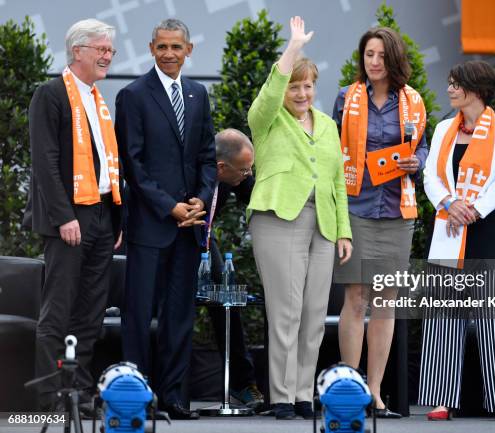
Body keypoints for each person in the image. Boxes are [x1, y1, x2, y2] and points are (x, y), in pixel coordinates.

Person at [247, 16, 352, 420]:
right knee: (286, 310)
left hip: (323, 224)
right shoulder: (268, 118)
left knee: (313, 314)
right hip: (278, 218)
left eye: (308, 86)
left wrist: (343, 231)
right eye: (296, 86)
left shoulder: (327, 125)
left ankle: (306, 393)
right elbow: (272, 91)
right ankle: (282, 396)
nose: (302, 93)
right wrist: (292, 49)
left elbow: (338, 181)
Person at [115, 18, 216, 420]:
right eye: (162, 47)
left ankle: (173, 397)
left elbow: (208, 157)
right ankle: (136, 398)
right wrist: (168, 206)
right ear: (151, 48)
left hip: (189, 228)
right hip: (150, 226)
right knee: (139, 316)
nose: (170, 54)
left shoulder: (197, 94)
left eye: (177, 47)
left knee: (179, 316)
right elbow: (133, 166)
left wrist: (201, 201)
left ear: (189, 50)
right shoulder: (133, 95)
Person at [25, 18, 123, 410]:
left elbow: (107, 164)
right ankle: (50, 398)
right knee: (59, 309)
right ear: (77, 51)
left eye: (110, 50)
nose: (107, 56)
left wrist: (115, 217)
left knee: (91, 310)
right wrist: (64, 216)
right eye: (100, 49)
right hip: (69, 217)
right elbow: (45, 163)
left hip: (100, 214)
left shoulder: (97, 98)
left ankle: (78, 391)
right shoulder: (51, 94)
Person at [332, 27, 428, 418]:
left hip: (396, 211)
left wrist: (416, 162)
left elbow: (421, 146)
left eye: (380, 55)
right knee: (355, 298)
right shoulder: (347, 96)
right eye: (368, 55)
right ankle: (350, 387)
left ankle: (375, 393)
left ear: (393, 59)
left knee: (386, 303)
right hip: (356, 208)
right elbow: (331, 146)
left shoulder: (413, 101)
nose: (374, 62)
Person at [418, 60, 495, 421]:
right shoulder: (445, 127)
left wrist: (471, 210)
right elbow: (431, 175)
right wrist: (450, 204)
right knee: (444, 313)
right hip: (449, 225)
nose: (449, 89)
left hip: (488, 227)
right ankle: (442, 398)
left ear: (476, 90)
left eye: (455, 84)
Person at [203, 128, 264, 411]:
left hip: (204, 236)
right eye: (244, 170)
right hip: (172, 237)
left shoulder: (234, 173)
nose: (246, 174)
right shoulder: (194, 165)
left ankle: (242, 383)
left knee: (226, 298)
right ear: (221, 167)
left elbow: (254, 195)